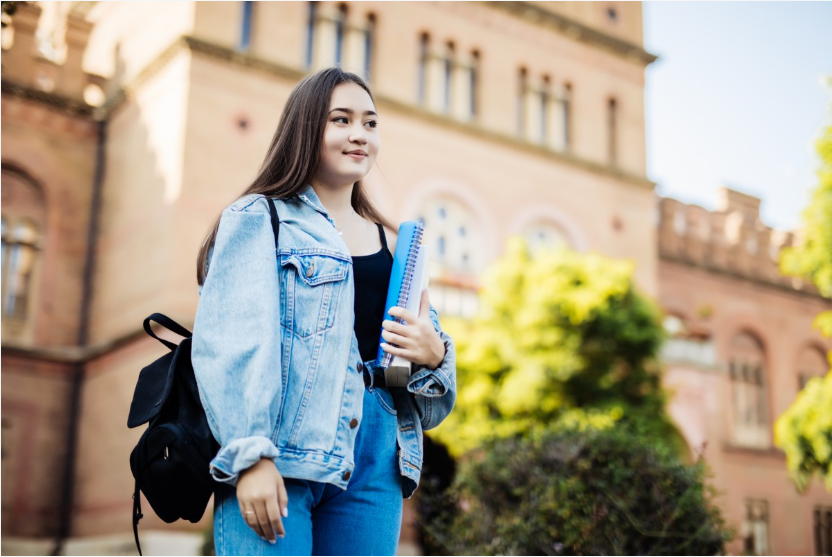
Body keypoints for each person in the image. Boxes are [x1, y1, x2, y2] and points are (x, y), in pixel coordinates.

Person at [191, 67, 457, 556]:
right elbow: (230, 344)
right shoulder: (259, 218)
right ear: (306, 127)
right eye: (342, 120)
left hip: (378, 457)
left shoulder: (396, 244)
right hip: (282, 449)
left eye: (371, 123)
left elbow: (434, 400)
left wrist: (435, 352)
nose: (360, 135)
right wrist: (250, 457)